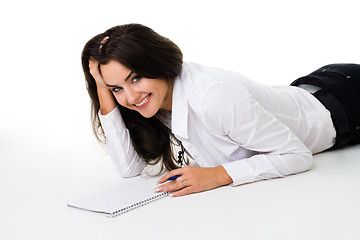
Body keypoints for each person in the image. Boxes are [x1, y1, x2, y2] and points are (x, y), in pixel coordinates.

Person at [81, 23, 360, 197]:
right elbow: (130, 169)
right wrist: (103, 89)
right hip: (308, 90)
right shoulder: (154, 104)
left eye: (135, 78)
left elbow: (297, 156)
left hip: (346, 103)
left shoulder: (213, 97)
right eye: (117, 88)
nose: (130, 96)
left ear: (159, 65)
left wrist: (217, 174)